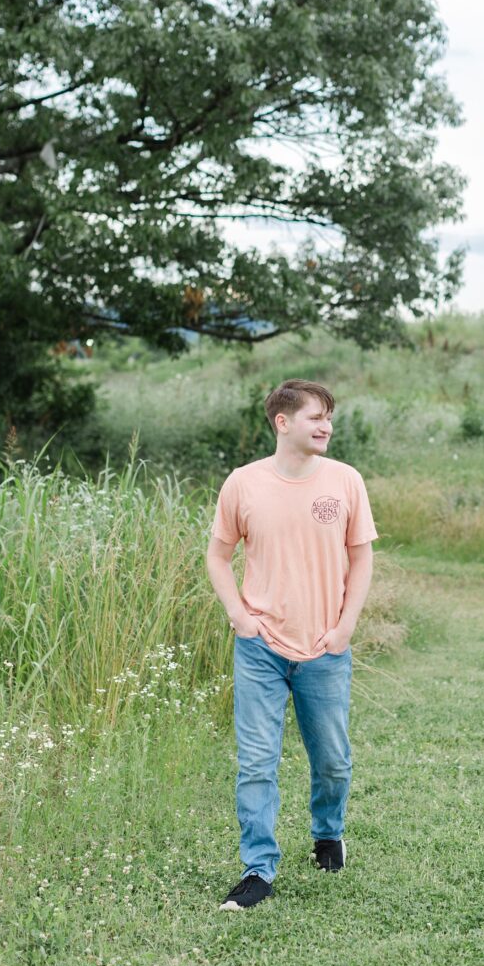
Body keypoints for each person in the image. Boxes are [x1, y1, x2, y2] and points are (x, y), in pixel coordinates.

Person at [206, 378, 378, 911]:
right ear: (283, 423)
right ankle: (258, 870)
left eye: (329, 417)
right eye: (315, 417)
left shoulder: (346, 481)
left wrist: (345, 627)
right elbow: (218, 556)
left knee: (332, 761)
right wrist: (239, 616)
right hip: (260, 646)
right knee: (257, 763)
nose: (326, 426)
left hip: (325, 647)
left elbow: (362, 558)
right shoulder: (243, 483)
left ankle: (328, 832)